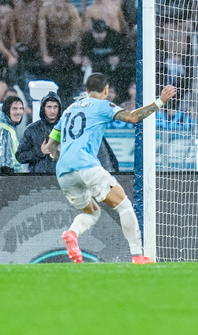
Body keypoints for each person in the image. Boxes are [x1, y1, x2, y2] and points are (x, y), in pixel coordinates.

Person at [47, 73, 176, 264]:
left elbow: (51, 145)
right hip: (86, 166)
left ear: (86, 90)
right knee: (124, 206)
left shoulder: (68, 110)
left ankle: (72, 234)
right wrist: (160, 101)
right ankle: (137, 256)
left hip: (63, 172)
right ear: (106, 90)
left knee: (92, 212)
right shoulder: (102, 105)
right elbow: (133, 117)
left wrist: (60, 157)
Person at [15, 91, 61, 173]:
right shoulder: (32, 129)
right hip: (37, 179)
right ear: (43, 108)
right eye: (49, 107)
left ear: (59, 108)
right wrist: (39, 151)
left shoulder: (66, 129)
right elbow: (20, 156)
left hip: (60, 178)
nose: (52, 111)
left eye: (55, 107)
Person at [0, 95, 25, 173]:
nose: (18, 112)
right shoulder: (4, 129)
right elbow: (5, 162)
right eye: (14, 108)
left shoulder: (9, 126)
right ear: (7, 110)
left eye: (21, 108)